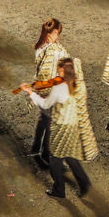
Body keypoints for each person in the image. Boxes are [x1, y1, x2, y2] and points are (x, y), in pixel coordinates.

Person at [19, 57, 98, 199]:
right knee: (70, 155)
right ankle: (84, 182)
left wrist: (31, 93)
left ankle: (59, 190)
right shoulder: (79, 85)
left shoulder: (59, 88)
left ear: (63, 71)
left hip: (61, 127)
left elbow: (45, 105)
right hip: (74, 126)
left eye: (59, 69)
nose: (57, 70)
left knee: (55, 159)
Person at [29, 18, 70, 164]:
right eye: (56, 33)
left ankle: (35, 147)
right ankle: (46, 152)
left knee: (43, 119)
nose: (57, 36)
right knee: (50, 122)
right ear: (50, 33)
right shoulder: (53, 50)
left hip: (41, 87)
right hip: (51, 88)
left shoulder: (39, 47)